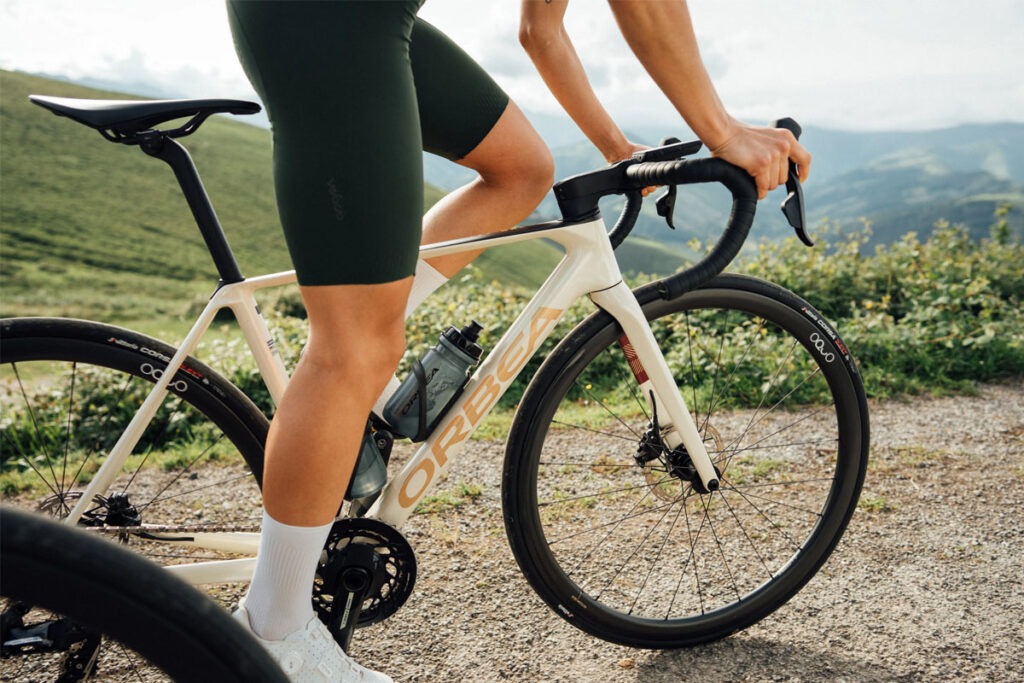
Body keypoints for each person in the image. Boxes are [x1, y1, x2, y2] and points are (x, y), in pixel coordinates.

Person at [224, 2, 809, 682]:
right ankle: (274, 634)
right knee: (354, 348)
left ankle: (349, 367)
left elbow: (542, 28)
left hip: (361, 19)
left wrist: (619, 150)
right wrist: (725, 132)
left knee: (520, 168)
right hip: (333, 20)